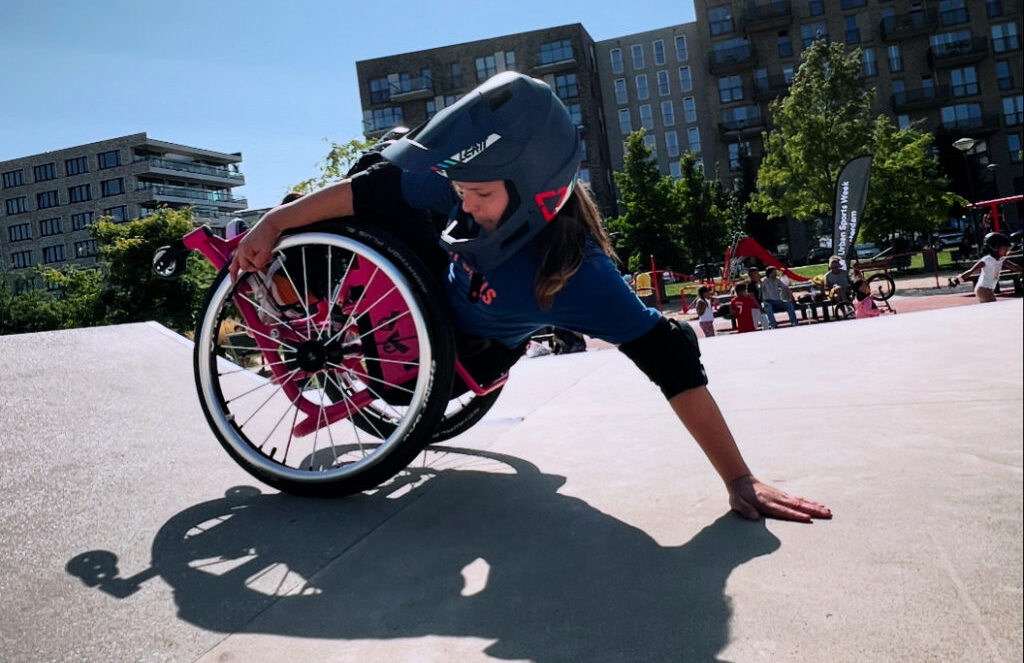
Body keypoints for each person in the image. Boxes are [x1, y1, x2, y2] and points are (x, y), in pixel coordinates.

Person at [231, 72, 830, 523]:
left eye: (481, 194)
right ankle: (285, 282)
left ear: (537, 193)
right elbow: (375, 190)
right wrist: (276, 221)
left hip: (444, 354)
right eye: (464, 191)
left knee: (385, 209)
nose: (466, 205)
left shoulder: (578, 275)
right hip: (434, 293)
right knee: (383, 171)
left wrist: (741, 480)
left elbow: (672, 359)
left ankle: (290, 285)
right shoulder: (480, 195)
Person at [953, 231, 1019, 302]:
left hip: (988, 289)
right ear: (995, 247)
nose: (1007, 250)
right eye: (1005, 248)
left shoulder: (1001, 259)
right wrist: (957, 280)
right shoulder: (987, 260)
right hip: (983, 289)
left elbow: (1015, 267)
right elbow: (971, 271)